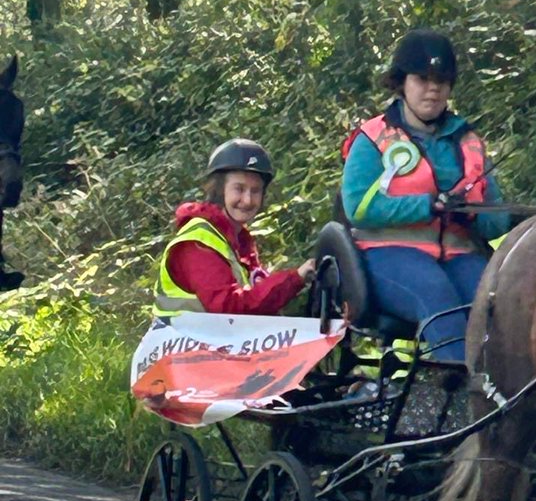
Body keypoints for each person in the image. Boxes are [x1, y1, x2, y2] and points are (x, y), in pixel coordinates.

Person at [340, 29, 510, 362]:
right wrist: (425, 206)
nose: (433, 88)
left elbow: (499, 218)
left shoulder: (469, 141)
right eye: (423, 79)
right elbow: (358, 207)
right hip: (387, 254)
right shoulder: (373, 137)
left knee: (498, 306)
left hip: (460, 255)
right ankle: (462, 402)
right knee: (437, 298)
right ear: (401, 82)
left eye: (442, 81)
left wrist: (473, 212)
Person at [153, 138, 316, 318]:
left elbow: (255, 299)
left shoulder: (238, 239)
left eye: (255, 191)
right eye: (239, 189)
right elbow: (231, 309)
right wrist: (294, 279)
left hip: (214, 341)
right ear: (220, 189)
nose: (247, 200)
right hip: (188, 343)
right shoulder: (197, 242)